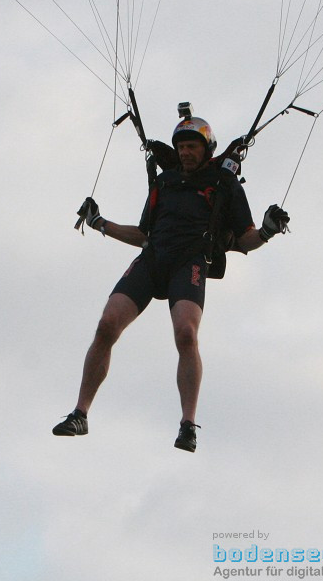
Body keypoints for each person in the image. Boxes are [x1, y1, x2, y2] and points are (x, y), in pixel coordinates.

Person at [53, 116, 290, 452]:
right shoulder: (164, 183)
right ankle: (80, 414)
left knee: (186, 333)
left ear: (206, 149)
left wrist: (267, 231)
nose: (185, 153)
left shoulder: (225, 185)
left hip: (190, 262)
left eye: (192, 146)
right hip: (153, 259)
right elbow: (142, 234)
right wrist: (99, 222)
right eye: (181, 147)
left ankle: (188, 425)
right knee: (106, 325)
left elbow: (244, 240)